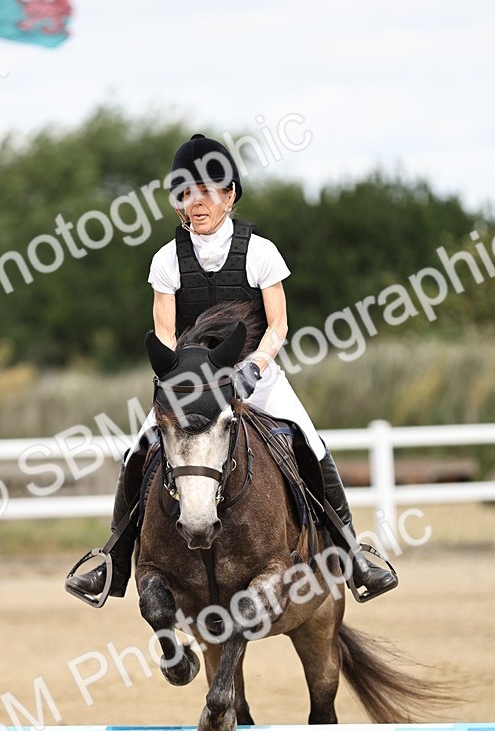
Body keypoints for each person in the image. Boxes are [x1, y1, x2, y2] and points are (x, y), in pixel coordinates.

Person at [66, 133, 397, 605]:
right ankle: (114, 565)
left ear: (229, 195)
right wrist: (175, 374)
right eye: (186, 193)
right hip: (193, 382)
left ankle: (351, 555)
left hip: (251, 374)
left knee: (311, 441)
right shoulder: (166, 259)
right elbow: (163, 330)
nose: (195, 202)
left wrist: (256, 367)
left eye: (206, 191)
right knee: (135, 452)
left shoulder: (260, 251)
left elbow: (279, 324)